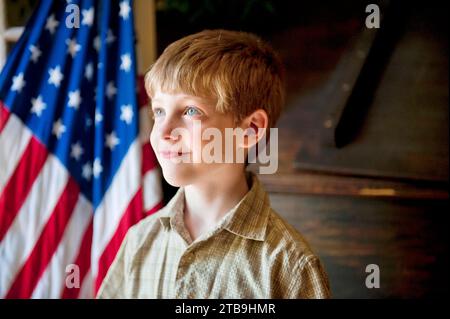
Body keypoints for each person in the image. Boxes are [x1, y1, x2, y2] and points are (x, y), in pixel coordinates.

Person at [97, 29, 330, 298]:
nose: (162, 132)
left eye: (190, 111)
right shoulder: (139, 241)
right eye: (159, 111)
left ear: (250, 130)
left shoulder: (289, 267)